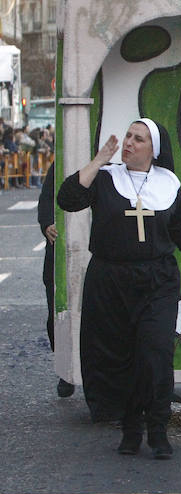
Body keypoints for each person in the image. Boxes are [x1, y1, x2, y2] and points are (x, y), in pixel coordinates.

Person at [57, 118, 181, 459]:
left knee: (155, 354)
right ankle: (130, 427)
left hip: (157, 279)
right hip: (110, 280)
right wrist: (100, 159)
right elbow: (68, 199)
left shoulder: (167, 184)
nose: (129, 142)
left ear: (153, 150)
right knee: (122, 357)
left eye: (138, 138)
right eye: (128, 135)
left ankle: (158, 428)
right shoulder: (105, 179)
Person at [37, 162, 75, 397]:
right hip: (60, 249)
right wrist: (46, 223)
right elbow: (46, 197)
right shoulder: (63, 159)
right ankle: (65, 371)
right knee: (57, 315)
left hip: (95, 249)